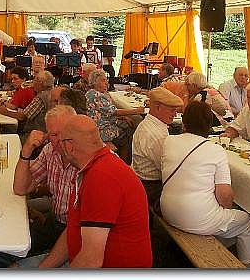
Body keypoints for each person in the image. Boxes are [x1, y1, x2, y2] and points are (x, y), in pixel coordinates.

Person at [38, 115, 152, 268]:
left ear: (69, 146)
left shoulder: (101, 177)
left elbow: (91, 261)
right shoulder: (91, 168)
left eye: (61, 141)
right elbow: (73, 230)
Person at [160, 101, 250, 267]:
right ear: (209, 125)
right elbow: (224, 195)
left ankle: (222, 243)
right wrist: (226, 209)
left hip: (167, 210)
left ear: (184, 122)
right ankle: (246, 267)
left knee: (219, 212)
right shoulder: (216, 150)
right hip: (195, 219)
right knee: (246, 220)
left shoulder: (169, 141)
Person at [13, 106, 79, 255]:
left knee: (22, 258)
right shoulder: (50, 150)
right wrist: (26, 150)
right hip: (55, 221)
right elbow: (20, 188)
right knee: (11, 236)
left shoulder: (87, 157)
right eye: (54, 134)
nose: (61, 140)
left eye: (65, 132)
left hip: (78, 233)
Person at [131, 87, 184, 207]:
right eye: (172, 110)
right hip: (151, 187)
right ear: (158, 107)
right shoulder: (156, 135)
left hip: (142, 180)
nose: (175, 114)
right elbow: (167, 171)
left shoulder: (149, 124)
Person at [85, 69, 144, 163]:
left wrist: (123, 117)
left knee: (127, 124)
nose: (106, 83)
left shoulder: (92, 93)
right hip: (101, 129)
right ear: (95, 82)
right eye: (103, 80)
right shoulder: (96, 95)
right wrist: (136, 111)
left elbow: (105, 112)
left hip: (101, 124)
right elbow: (114, 112)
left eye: (106, 80)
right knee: (129, 132)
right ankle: (125, 162)